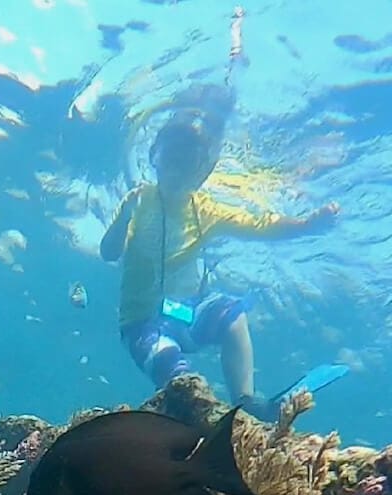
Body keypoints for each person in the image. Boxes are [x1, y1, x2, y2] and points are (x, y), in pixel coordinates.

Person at [99, 102, 339, 421]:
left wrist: (306, 224)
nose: (175, 172)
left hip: (187, 314)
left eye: (187, 164)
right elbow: (108, 252)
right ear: (155, 157)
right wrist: (124, 218)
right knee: (180, 379)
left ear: (202, 173)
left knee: (232, 314)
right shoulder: (139, 202)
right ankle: (198, 414)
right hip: (142, 323)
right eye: (170, 159)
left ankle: (246, 400)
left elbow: (259, 225)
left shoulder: (206, 210)